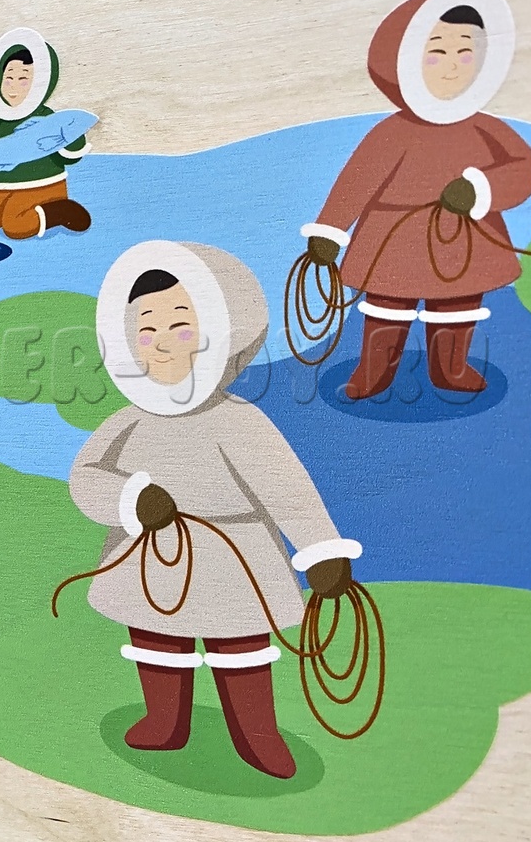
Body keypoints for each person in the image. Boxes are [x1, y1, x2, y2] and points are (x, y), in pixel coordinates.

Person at [69, 240, 361, 778]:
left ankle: (257, 734)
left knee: (239, 645)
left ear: (222, 334)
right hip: (149, 555)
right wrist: (131, 498)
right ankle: (164, 720)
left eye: (180, 328)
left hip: (235, 558)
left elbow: (286, 488)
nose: (161, 344)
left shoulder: (239, 421)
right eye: (146, 331)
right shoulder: (127, 422)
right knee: (155, 637)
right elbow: (85, 478)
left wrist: (320, 549)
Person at [301, 0, 531, 398]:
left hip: (465, 238)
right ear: (407, 59)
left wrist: (480, 188)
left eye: (465, 53)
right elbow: (356, 182)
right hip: (395, 240)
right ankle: (374, 372)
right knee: (387, 306)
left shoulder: (486, 128)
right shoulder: (392, 132)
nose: (452, 67)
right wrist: (330, 231)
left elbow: (524, 169)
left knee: (457, 305)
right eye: (437, 53)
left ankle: (451, 369)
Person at [0, 28, 91, 238]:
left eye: (23, 79)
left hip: (43, 185)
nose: (13, 88)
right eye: (8, 78)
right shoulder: (1, 122)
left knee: (17, 226)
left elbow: (71, 155)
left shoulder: (47, 117)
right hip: (0, 187)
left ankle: (60, 210)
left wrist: (72, 136)